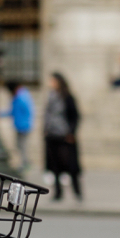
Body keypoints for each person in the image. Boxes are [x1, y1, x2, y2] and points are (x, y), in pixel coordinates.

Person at [43, 72, 82, 201]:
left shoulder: (67, 97)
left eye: (53, 81)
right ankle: (58, 193)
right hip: (52, 135)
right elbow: (47, 115)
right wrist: (45, 131)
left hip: (65, 136)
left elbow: (75, 116)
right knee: (55, 166)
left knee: (71, 166)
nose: (51, 84)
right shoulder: (50, 96)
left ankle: (77, 192)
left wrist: (71, 132)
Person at [0, 80, 35, 173]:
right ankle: (25, 163)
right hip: (20, 125)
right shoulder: (21, 95)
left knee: (22, 146)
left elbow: (27, 111)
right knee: (19, 146)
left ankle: (25, 164)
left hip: (23, 126)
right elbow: (13, 112)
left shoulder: (21, 97)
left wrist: (26, 123)